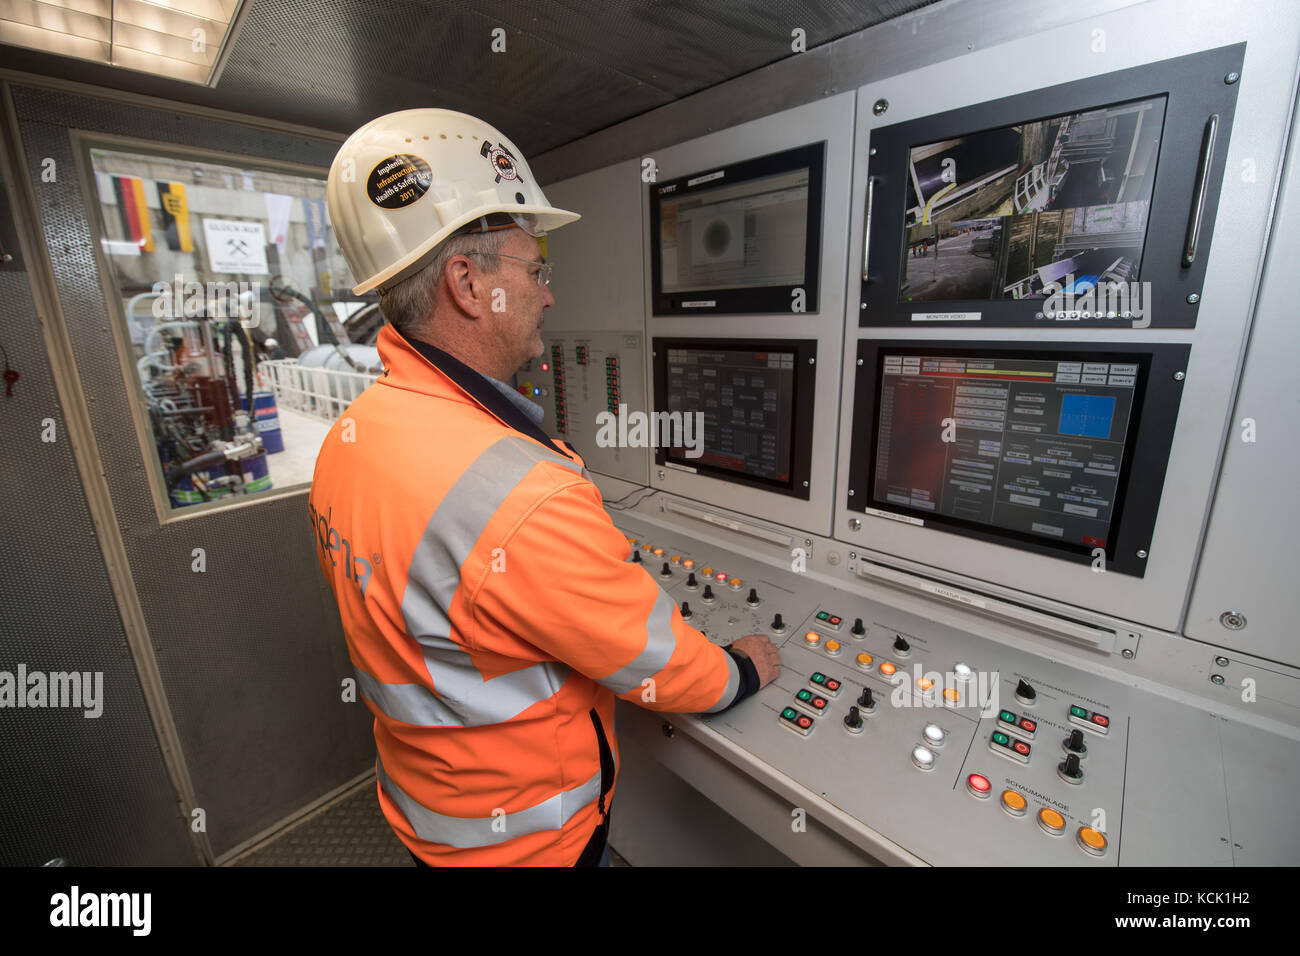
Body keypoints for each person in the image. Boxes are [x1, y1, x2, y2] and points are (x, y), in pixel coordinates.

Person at [310, 109, 782, 867]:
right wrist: (743, 668)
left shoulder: (350, 439)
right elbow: (656, 662)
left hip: (426, 813)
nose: (549, 295)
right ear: (468, 284)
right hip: (528, 843)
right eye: (535, 271)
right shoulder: (517, 491)